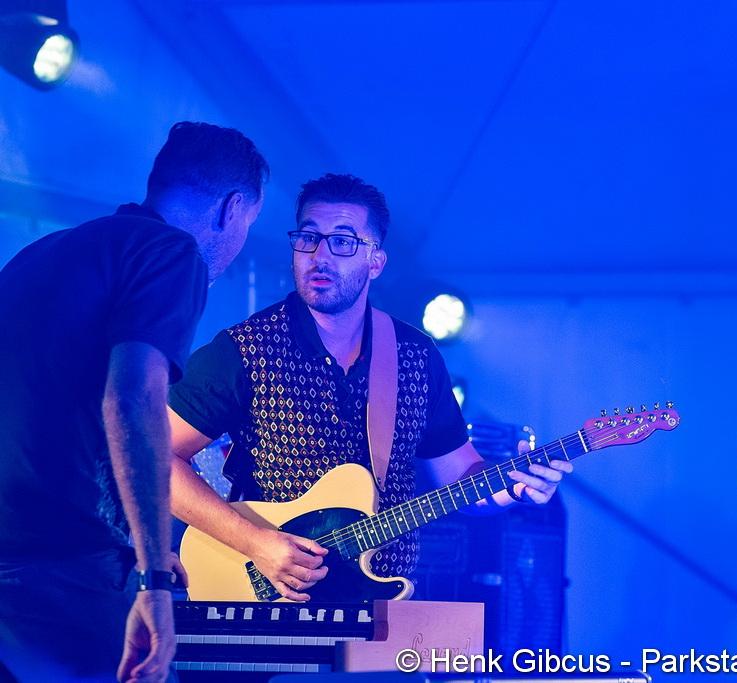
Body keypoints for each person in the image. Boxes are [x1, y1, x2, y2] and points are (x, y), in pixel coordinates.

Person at [167, 173, 572, 602]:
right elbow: (154, 458)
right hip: (272, 600)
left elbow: (461, 478)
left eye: (343, 242)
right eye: (308, 238)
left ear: (375, 261)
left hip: (379, 605)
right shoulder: (246, 350)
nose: (320, 256)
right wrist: (254, 542)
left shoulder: (415, 357)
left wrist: (513, 487)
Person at [0, 121, 268, 683]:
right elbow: (132, 401)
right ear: (232, 209)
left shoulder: (45, 252)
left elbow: (58, 412)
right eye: (249, 225)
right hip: (63, 562)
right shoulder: (172, 252)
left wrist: (132, 537)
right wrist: (152, 577)